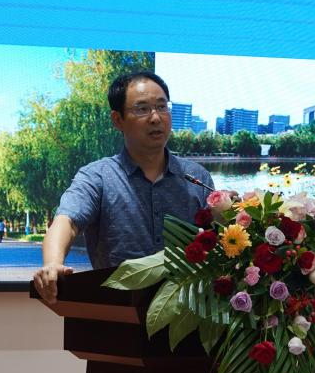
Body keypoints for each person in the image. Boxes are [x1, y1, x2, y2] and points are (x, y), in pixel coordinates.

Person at [33, 71, 214, 304]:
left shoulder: (197, 177)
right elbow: (67, 222)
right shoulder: (97, 177)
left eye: (162, 107)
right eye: (142, 109)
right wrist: (52, 263)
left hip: (187, 312)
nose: (155, 118)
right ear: (117, 120)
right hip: (116, 311)